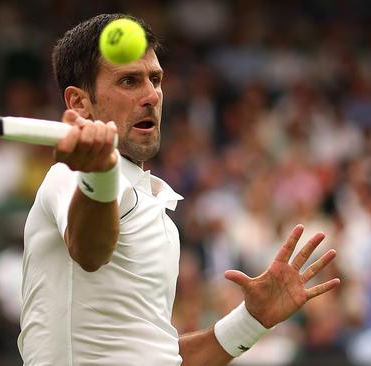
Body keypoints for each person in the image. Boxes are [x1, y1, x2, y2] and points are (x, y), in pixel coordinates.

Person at [18, 13, 341, 365]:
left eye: (155, 79)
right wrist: (98, 171)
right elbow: (90, 250)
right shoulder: (71, 175)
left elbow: (161, 357)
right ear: (80, 103)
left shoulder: (158, 209)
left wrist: (252, 321)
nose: (151, 96)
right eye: (128, 81)